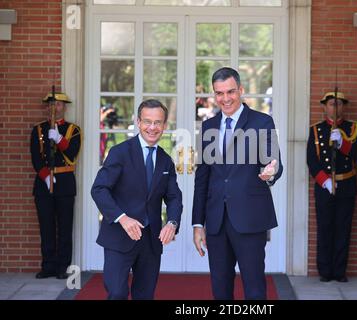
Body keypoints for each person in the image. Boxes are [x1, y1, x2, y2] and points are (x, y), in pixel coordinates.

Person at [192, 67, 283, 300]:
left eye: (230, 92)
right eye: (219, 93)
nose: (225, 99)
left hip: (250, 218)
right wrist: (197, 224)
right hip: (216, 221)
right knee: (220, 288)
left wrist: (270, 171)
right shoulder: (208, 127)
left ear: (241, 90)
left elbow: (274, 163)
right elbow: (202, 179)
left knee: (254, 288)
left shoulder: (262, 122)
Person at [91, 99, 182, 300]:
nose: (152, 127)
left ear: (164, 126)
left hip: (150, 241)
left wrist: (172, 223)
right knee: (117, 293)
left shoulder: (166, 160)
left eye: (158, 122)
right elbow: (99, 189)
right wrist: (122, 218)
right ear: (138, 122)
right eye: (147, 121)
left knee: (145, 295)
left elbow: (174, 197)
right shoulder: (120, 152)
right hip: (119, 236)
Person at [306, 91, 357, 283]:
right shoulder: (316, 130)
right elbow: (312, 160)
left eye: (338, 104)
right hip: (324, 187)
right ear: (324, 107)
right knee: (325, 228)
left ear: (343, 107)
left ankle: (339, 271)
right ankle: (325, 271)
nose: (334, 107)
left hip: (347, 184)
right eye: (331, 104)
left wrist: (343, 144)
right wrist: (325, 180)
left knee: (343, 229)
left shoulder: (353, 129)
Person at [30, 92, 81, 279]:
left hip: (65, 184)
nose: (54, 108)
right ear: (47, 107)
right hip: (44, 185)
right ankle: (48, 266)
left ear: (64, 107)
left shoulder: (73, 130)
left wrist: (59, 140)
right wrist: (45, 176)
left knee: (65, 228)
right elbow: (36, 157)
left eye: (58, 104)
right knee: (46, 227)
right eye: (51, 104)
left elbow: (73, 154)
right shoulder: (37, 130)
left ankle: (63, 267)